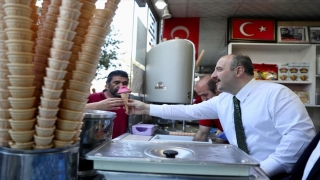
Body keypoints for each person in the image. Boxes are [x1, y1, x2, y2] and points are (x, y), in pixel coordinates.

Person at [127, 54, 316, 178]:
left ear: (239, 71)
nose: (213, 76)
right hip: (244, 172)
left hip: (276, 175)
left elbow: (299, 136)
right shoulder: (224, 100)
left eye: (218, 69)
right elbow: (188, 111)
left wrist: (262, 171)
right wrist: (146, 108)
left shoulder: (276, 94)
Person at [87, 70, 129, 139]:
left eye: (124, 83)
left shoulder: (129, 101)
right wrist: (98, 106)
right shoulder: (92, 97)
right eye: (116, 83)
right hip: (94, 143)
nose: (121, 86)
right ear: (107, 84)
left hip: (119, 143)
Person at [193, 75, 226, 142]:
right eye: (200, 95)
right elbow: (202, 133)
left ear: (217, 90)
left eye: (205, 95)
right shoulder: (206, 105)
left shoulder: (232, 102)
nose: (203, 99)